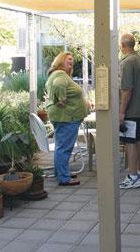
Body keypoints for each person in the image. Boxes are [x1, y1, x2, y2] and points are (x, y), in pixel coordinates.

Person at [45, 52, 89, 186]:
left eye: (72, 60)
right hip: (67, 116)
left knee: (60, 146)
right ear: (61, 61)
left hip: (62, 115)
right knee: (64, 147)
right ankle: (64, 178)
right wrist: (63, 99)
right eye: (68, 59)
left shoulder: (55, 74)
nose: (72, 61)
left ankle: (61, 172)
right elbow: (59, 85)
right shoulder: (60, 74)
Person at [118, 33, 140, 189]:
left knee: (130, 142)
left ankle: (132, 177)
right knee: (139, 140)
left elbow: (126, 90)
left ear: (123, 45)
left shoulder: (126, 63)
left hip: (131, 110)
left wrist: (121, 111)